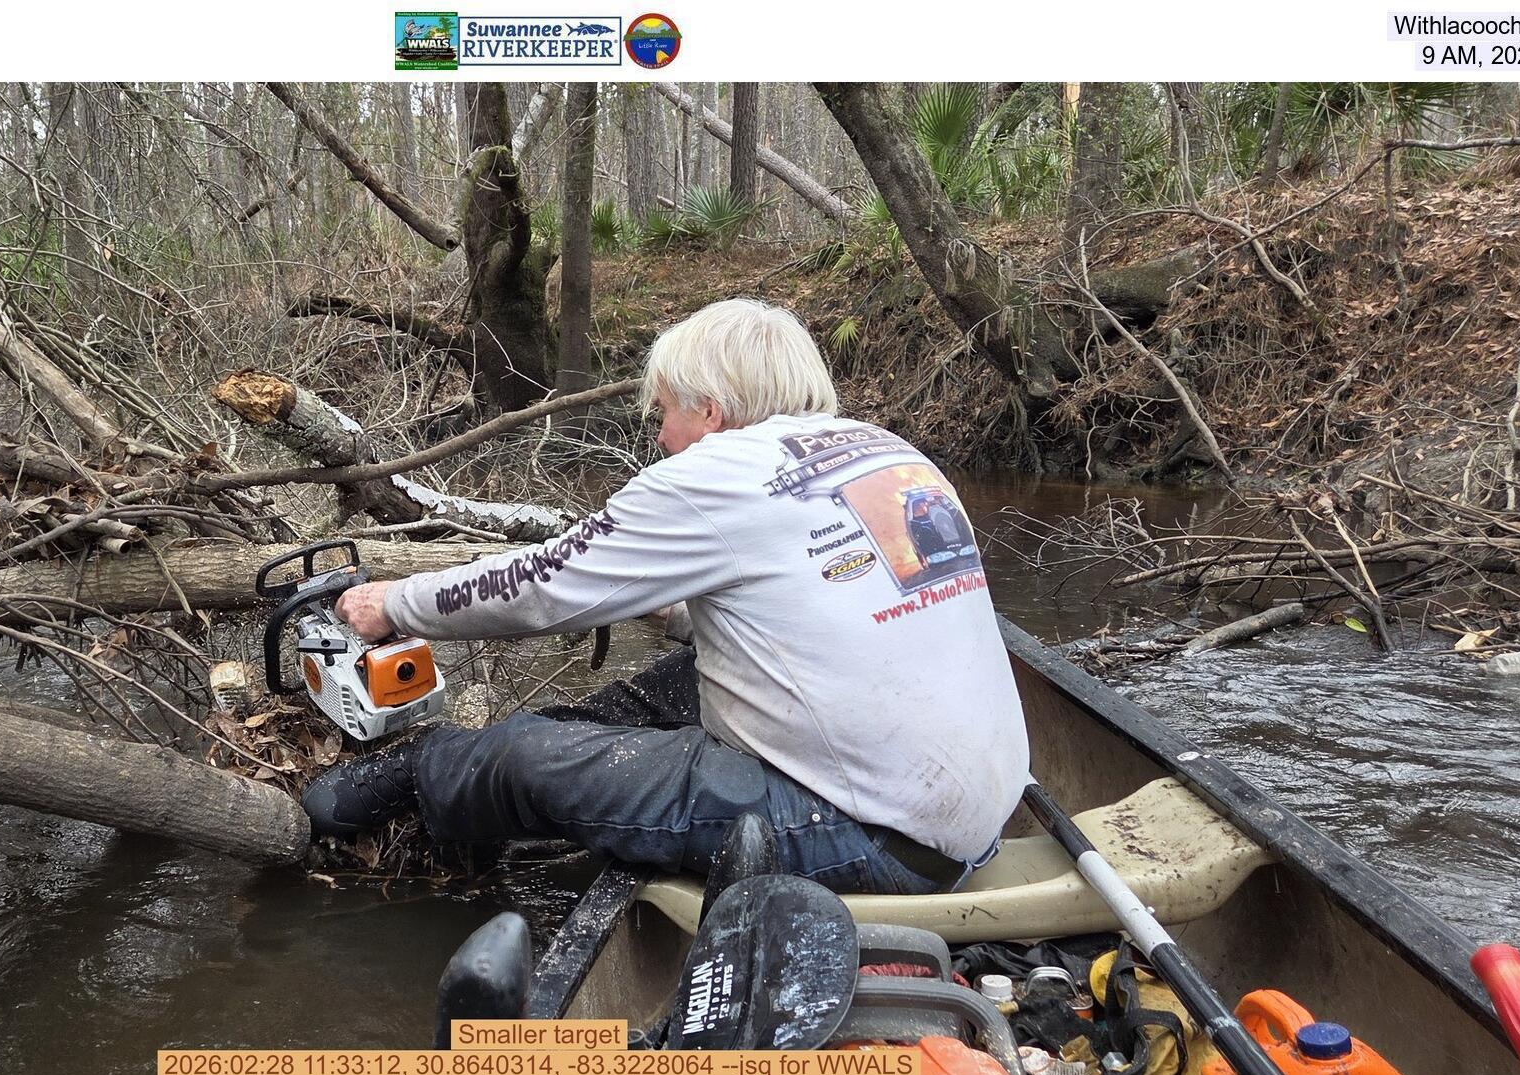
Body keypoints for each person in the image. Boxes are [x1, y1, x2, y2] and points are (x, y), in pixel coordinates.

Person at [302, 298, 1028, 895]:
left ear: (708, 411)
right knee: (667, 685)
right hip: (969, 821)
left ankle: (374, 792)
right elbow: (830, 610)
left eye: (662, 415)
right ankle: (539, 750)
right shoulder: (886, 450)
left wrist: (394, 603)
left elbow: (540, 587)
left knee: (523, 756)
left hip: (868, 840)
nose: (659, 437)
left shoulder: (713, 475)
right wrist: (678, 615)